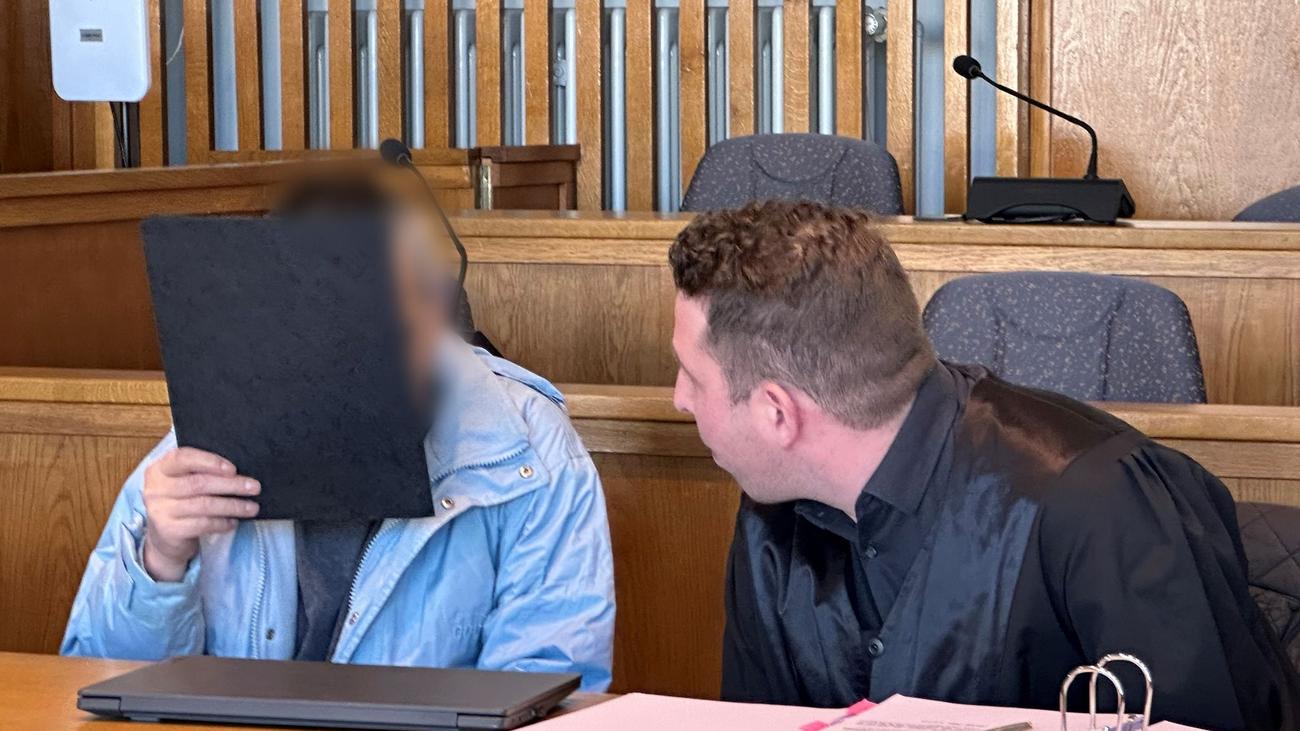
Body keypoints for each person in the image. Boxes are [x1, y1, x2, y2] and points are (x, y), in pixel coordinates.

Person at [667, 200, 1299, 729]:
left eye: (693, 376)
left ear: (777, 412)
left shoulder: (1103, 504)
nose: (679, 399)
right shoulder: (774, 506)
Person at [61, 179, 616, 691]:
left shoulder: (529, 448)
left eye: (377, 324)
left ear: (433, 309)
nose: (342, 352)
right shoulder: (207, 440)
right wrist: (160, 560)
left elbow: (549, 689)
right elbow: (95, 679)